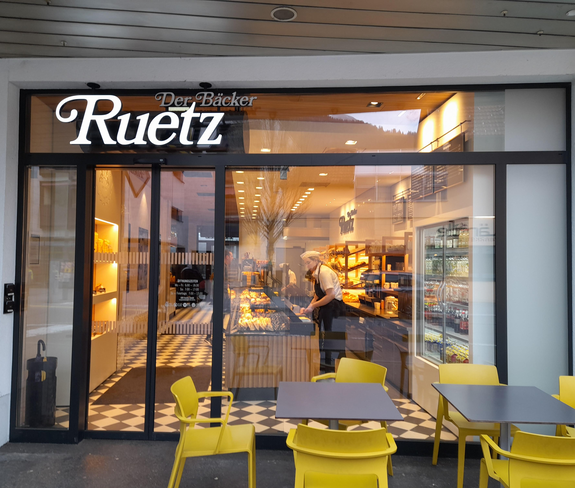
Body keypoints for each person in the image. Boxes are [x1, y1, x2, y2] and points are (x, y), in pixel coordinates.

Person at [300, 251, 345, 371]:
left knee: (330, 338)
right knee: (324, 337)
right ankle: (325, 365)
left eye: (308, 262)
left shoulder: (324, 272)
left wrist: (313, 306)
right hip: (327, 307)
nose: (307, 266)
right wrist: (309, 307)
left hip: (333, 308)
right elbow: (318, 294)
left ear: (316, 260)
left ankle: (331, 369)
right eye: (305, 263)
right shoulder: (317, 272)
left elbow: (330, 295)